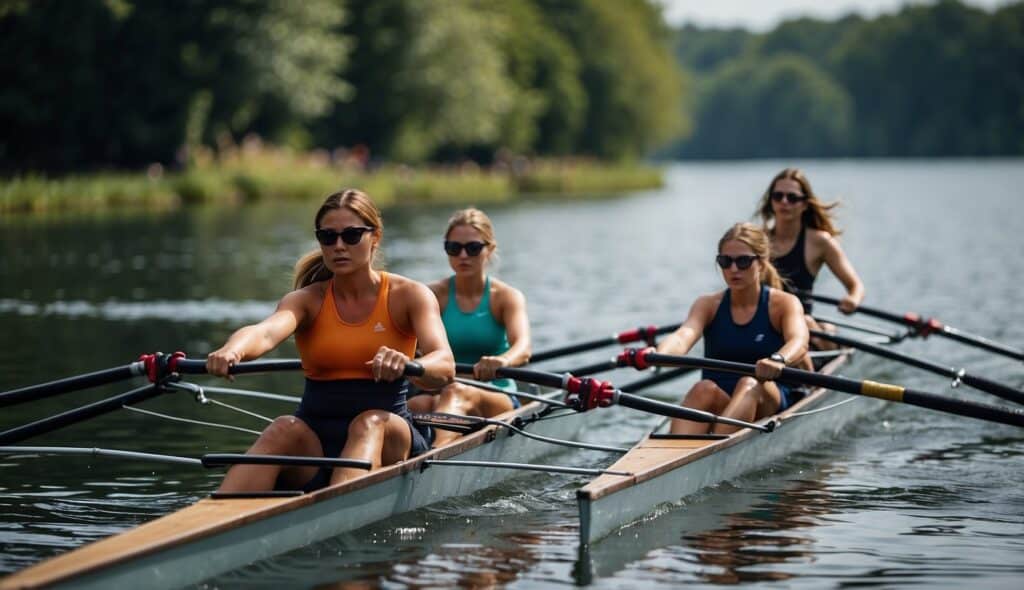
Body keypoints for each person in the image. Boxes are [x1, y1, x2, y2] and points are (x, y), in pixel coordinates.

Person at [206, 189, 454, 492]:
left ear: (375, 237)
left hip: (388, 430)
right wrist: (233, 350)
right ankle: (203, 526)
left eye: (351, 236)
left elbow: (444, 364)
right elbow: (265, 332)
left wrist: (411, 365)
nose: (338, 246)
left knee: (368, 423)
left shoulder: (409, 296)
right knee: (282, 428)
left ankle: (342, 508)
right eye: (328, 237)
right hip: (316, 438)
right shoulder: (306, 301)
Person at [648, 223, 809, 435]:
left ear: (761, 263)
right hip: (722, 401)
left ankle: (711, 450)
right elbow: (683, 336)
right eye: (725, 261)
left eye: (743, 261)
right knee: (702, 389)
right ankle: (672, 456)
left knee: (750, 383)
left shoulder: (783, 304)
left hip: (768, 395)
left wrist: (779, 359)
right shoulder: (708, 305)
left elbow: (799, 341)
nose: (733, 269)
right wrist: (657, 354)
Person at [407, 208, 531, 446]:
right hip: (437, 395)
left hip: (496, 394)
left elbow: (523, 348)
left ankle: (434, 456)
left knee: (456, 391)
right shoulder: (432, 295)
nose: (463, 255)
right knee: (417, 405)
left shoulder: (505, 297)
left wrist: (502, 361)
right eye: (454, 248)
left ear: (490, 249)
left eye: (473, 248)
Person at [758, 168, 865, 351]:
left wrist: (852, 299)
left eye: (792, 198)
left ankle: (824, 344)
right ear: (771, 202)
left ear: (805, 204)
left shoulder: (819, 241)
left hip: (801, 324)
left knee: (813, 324)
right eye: (778, 196)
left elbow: (856, 286)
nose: (784, 202)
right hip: (762, 323)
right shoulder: (757, 241)